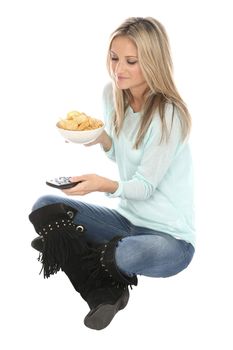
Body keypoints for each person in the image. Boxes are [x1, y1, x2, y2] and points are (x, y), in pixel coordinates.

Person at [29, 17, 195, 331]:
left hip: (171, 240)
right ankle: (107, 289)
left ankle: (73, 252)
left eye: (131, 61)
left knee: (139, 250)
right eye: (114, 58)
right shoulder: (113, 94)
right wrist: (100, 138)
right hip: (124, 223)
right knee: (45, 206)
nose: (119, 69)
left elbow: (144, 186)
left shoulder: (168, 113)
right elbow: (121, 154)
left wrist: (101, 184)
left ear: (153, 62)